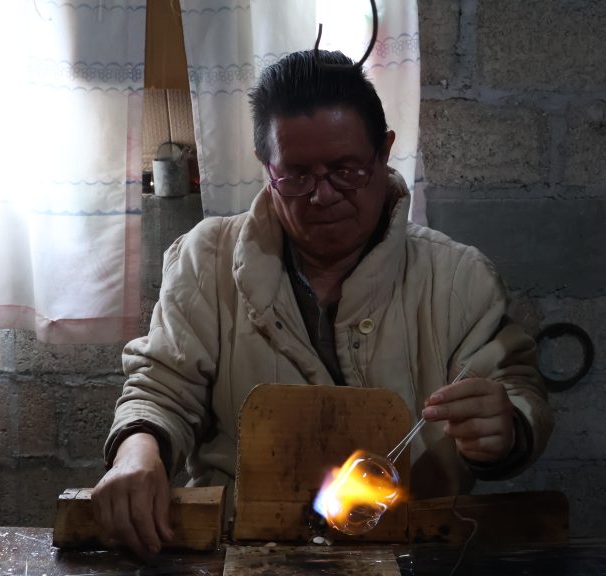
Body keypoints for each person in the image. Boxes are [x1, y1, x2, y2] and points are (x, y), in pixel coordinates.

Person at [92, 49, 554, 558]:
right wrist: (138, 452)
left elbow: (515, 390)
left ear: (384, 153)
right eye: (297, 175)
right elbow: (162, 387)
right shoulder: (207, 260)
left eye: (347, 170)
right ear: (267, 169)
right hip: (246, 550)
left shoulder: (458, 279)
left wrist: (506, 428)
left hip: (411, 551)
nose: (323, 196)